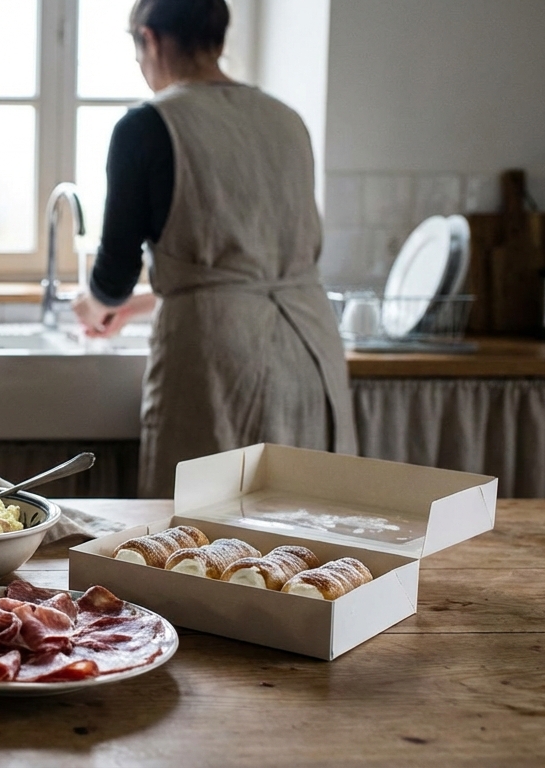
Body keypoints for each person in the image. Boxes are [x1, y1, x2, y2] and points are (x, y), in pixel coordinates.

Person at [72, 0, 356, 498]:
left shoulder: (147, 126)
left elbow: (115, 275)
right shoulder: (286, 119)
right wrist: (144, 305)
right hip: (310, 345)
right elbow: (247, 265)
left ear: (150, 38)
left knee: (200, 539)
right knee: (303, 531)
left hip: (216, 356)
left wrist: (94, 306)